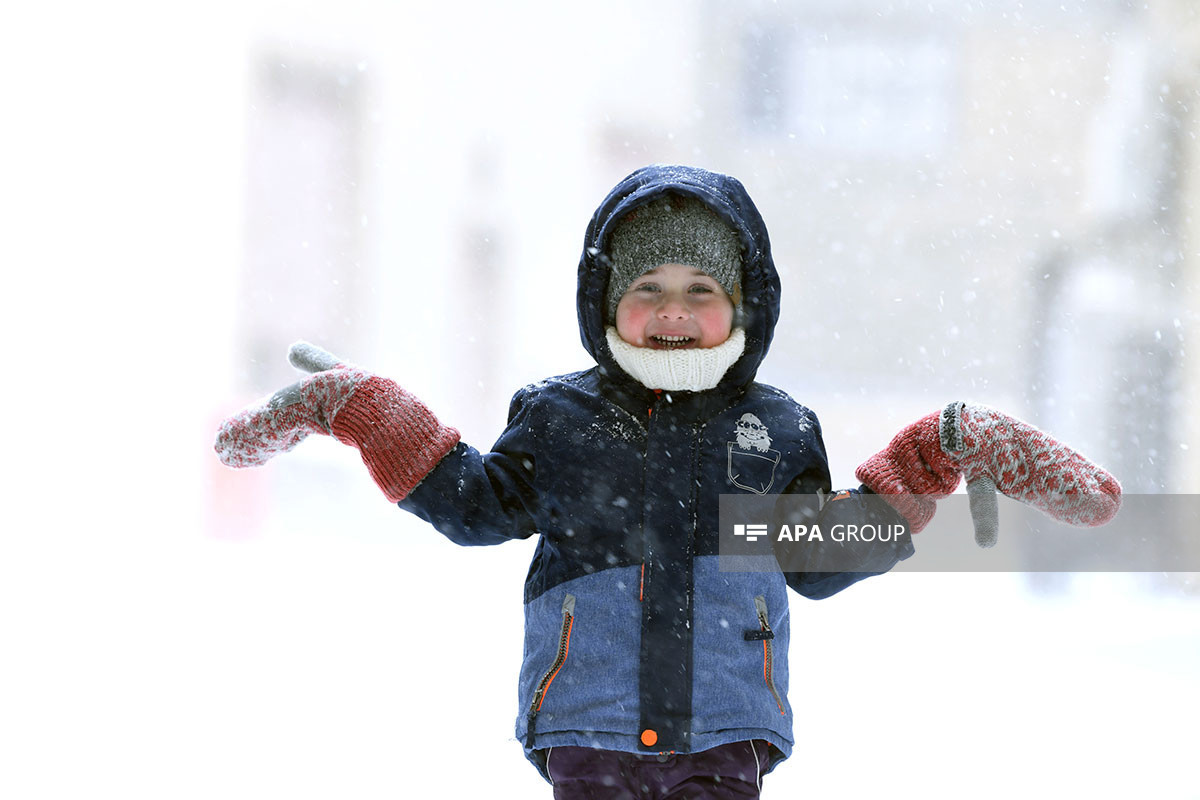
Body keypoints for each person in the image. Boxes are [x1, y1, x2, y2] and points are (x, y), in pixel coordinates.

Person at [215, 164, 1120, 798]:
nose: (675, 313)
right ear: (607, 301)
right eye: (649, 287)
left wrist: (940, 450)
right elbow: (473, 504)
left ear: (744, 303)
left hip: (727, 734)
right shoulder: (562, 420)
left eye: (701, 288)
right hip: (588, 726)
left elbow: (819, 557)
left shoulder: (771, 430)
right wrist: (363, 408)